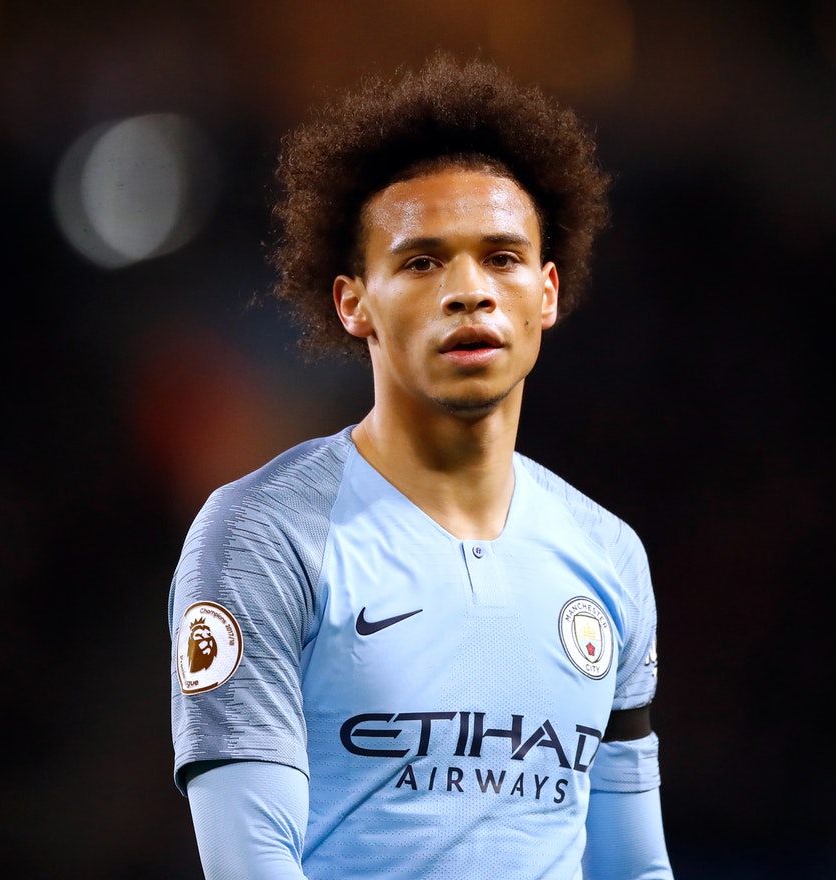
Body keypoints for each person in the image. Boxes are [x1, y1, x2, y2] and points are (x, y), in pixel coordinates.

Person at [169, 54, 674, 879]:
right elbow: (249, 862)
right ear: (353, 302)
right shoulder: (262, 535)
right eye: (421, 261)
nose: (469, 291)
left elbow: (634, 866)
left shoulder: (610, 555)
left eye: (502, 258)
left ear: (547, 292)